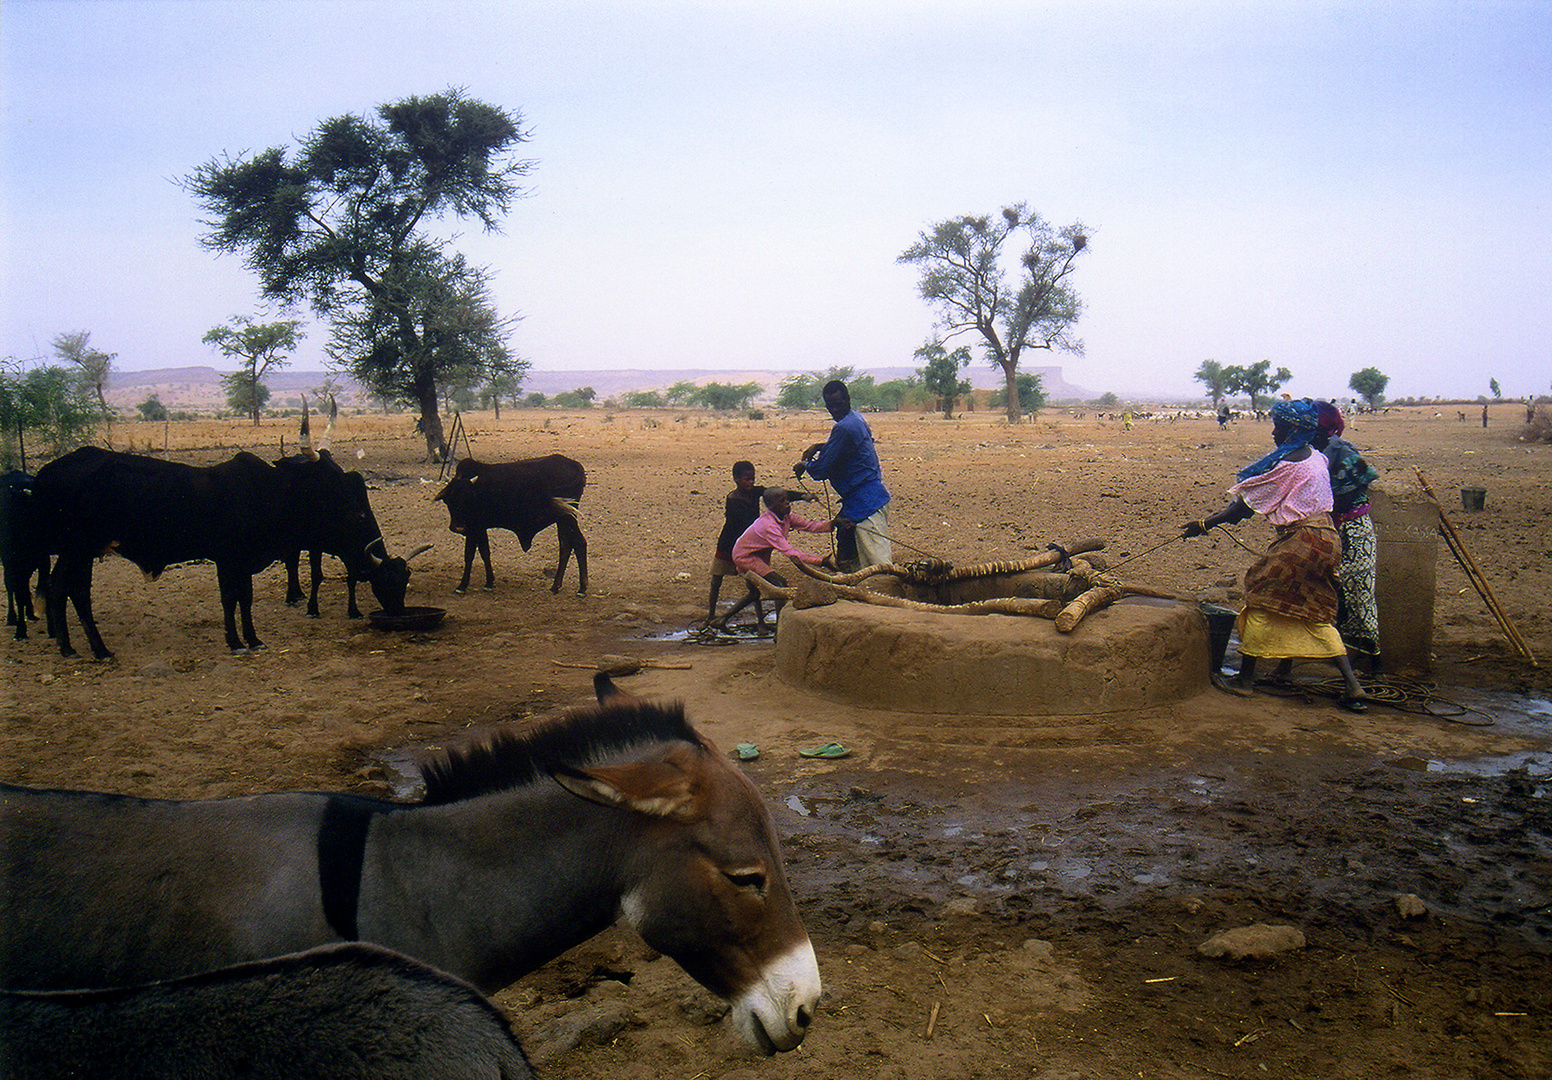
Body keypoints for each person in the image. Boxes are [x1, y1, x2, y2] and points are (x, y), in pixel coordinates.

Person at [1181, 398, 1368, 712]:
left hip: (1303, 540)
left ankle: (1244, 680)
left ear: (1294, 428)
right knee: (1315, 608)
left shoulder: (1289, 466)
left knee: (1260, 594)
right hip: (1327, 539)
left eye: (1278, 427)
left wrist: (1203, 524)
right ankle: (1352, 686)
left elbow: (1242, 509)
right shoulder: (1317, 458)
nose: (1273, 433)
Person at [1312, 401, 1382, 672]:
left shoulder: (1341, 451)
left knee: (1356, 594)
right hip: (1331, 529)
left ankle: (1375, 664)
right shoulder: (1319, 451)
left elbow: (1350, 494)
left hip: (1352, 532)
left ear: (1323, 427)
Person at [792, 380, 891, 571]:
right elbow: (851, 446)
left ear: (848, 400)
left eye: (839, 404)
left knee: (879, 563)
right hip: (865, 498)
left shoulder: (843, 427)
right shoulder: (857, 419)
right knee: (847, 542)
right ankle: (853, 587)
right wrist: (821, 447)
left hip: (866, 503)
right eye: (831, 406)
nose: (835, 410)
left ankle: (885, 595)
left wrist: (805, 464)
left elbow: (820, 470)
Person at [703, 461, 815, 627]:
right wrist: (773, 529)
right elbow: (747, 522)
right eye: (746, 479)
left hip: (749, 546)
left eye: (752, 479)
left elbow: (778, 495)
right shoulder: (733, 500)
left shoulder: (756, 492)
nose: (750, 483)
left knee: (754, 587)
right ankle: (711, 616)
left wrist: (802, 496)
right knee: (717, 581)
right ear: (736, 479)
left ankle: (760, 622)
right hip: (730, 543)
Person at [722, 488, 838, 630]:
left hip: (759, 553)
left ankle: (721, 619)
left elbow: (809, 525)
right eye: (782, 501)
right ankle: (781, 627)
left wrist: (833, 524)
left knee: (754, 593)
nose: (787, 503)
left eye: (787, 499)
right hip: (746, 556)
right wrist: (821, 562)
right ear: (770, 505)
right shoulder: (769, 526)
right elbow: (791, 553)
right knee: (780, 584)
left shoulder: (786, 517)